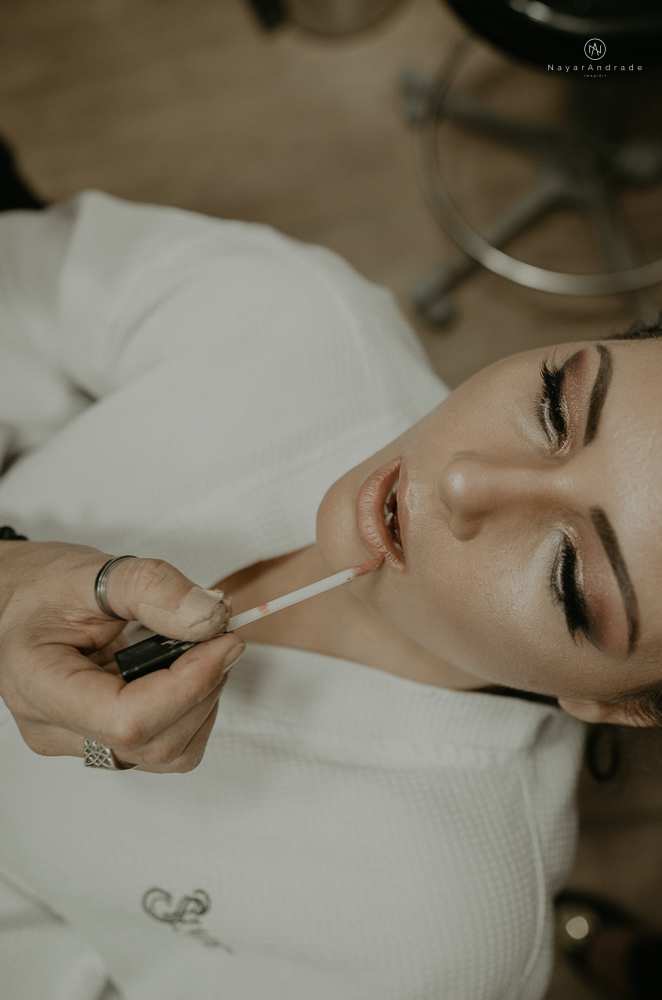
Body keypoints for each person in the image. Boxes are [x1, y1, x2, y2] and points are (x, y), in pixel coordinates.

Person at [0, 186, 658, 999]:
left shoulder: (436, 945)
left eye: (568, 576)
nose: (464, 479)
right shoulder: (291, 313)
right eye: (555, 402)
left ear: (617, 703)